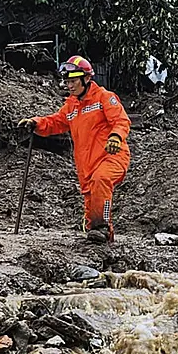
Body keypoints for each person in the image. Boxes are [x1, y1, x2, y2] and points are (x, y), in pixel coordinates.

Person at [18, 55, 130, 243]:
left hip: (111, 156)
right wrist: (36, 123)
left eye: (73, 81)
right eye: (67, 82)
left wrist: (116, 136)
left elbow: (121, 120)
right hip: (86, 162)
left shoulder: (104, 98)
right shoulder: (71, 105)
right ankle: (99, 240)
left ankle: (101, 228)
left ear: (86, 79)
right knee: (90, 196)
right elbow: (56, 122)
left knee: (100, 180)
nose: (69, 86)